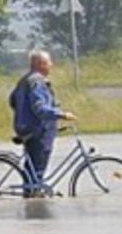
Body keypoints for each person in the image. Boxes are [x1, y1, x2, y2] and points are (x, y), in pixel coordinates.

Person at [9, 50, 76, 196]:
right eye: (49, 62)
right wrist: (61, 114)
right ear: (40, 64)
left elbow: (12, 100)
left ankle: (32, 193)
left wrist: (22, 115)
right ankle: (33, 198)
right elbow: (39, 108)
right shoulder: (37, 82)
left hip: (25, 127)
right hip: (37, 130)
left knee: (32, 167)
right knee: (38, 166)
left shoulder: (24, 80)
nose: (51, 65)